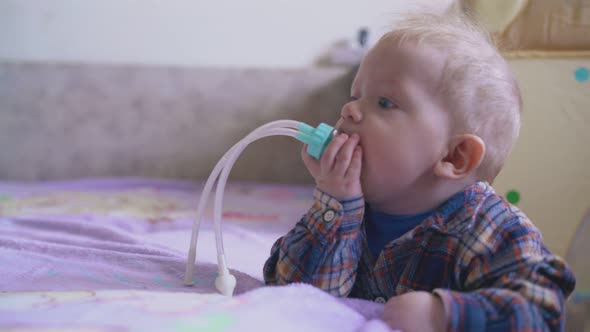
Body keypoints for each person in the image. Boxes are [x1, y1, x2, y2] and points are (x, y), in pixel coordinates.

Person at [263, 11, 576, 332]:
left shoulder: (493, 231)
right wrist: (336, 205)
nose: (349, 110)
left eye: (385, 102)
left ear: (455, 157)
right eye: (355, 96)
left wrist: (446, 316)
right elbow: (291, 295)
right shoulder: (345, 208)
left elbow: (542, 314)